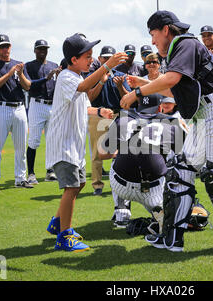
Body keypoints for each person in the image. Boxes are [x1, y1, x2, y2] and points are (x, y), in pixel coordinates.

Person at [120, 10, 213, 253]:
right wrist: (143, 84)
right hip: (205, 117)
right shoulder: (180, 47)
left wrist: (137, 93)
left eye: (153, 34)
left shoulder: (184, 42)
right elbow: (177, 91)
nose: (152, 41)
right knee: (179, 171)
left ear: (165, 29)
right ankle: (172, 238)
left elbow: (172, 79)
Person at [45, 33, 127, 252]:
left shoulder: (77, 78)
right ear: (73, 59)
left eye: (92, 56)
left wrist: (99, 110)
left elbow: (84, 103)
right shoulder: (66, 77)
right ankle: (64, 236)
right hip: (63, 145)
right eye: (87, 56)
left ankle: (57, 222)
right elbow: (82, 90)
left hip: (72, 145)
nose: (91, 59)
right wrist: (107, 66)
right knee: (71, 186)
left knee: (79, 183)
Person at [99, 94, 187, 234]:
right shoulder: (171, 122)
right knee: (172, 159)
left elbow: (102, 154)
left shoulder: (123, 118)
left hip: (121, 185)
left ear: (138, 105)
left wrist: (122, 150)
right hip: (153, 190)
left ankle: (122, 211)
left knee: (116, 157)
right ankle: (160, 210)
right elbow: (184, 157)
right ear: (160, 107)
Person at [0, 34, 34, 192]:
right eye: (2, 46)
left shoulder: (18, 64)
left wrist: (21, 74)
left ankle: (21, 178)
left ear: (10, 47)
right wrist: (10, 73)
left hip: (19, 108)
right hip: (1, 107)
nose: (5, 49)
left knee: (21, 146)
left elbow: (27, 87)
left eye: (7, 45)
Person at [86, 45, 131, 196]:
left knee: (119, 152)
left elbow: (127, 98)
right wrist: (101, 81)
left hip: (118, 116)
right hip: (98, 115)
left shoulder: (120, 75)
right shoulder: (93, 75)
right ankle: (97, 186)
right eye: (105, 57)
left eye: (110, 58)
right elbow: (90, 98)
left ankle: (117, 183)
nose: (107, 60)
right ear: (99, 59)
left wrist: (119, 85)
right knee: (97, 153)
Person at [24, 39, 61, 185]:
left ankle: (50, 170)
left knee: (52, 140)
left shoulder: (54, 65)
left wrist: (57, 76)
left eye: (45, 48)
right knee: (34, 140)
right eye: (40, 49)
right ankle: (31, 173)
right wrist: (46, 77)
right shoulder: (29, 66)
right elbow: (29, 85)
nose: (42, 51)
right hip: (37, 104)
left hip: (52, 105)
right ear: (35, 50)